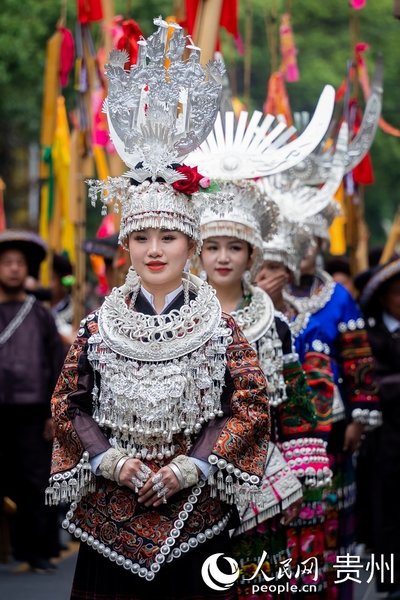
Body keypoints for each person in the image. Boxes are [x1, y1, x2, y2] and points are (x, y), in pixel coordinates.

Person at [47, 23, 271, 600]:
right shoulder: (99, 327)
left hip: (195, 518)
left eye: (167, 238)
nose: (154, 250)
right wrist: (111, 462)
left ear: (190, 246)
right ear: (126, 248)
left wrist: (190, 467)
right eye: (141, 237)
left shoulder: (218, 328)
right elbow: (68, 406)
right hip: (108, 520)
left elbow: (247, 407)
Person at [197, 179, 332, 600]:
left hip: (259, 473)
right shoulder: (179, 318)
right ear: (197, 252)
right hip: (192, 473)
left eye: (234, 247)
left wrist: (301, 472)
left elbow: (292, 404)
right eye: (213, 246)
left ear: (252, 255)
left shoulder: (272, 324)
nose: (223, 257)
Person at [0, 229, 64, 572]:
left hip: (31, 411)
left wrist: (54, 412)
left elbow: (57, 364)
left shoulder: (39, 314)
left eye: (18, 263)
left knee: (35, 482)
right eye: (6, 263)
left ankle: (36, 550)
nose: (12, 269)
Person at [356, 258, 400, 598]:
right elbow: (371, 384)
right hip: (385, 443)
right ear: (384, 297)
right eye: (398, 293)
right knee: (385, 514)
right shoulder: (368, 334)